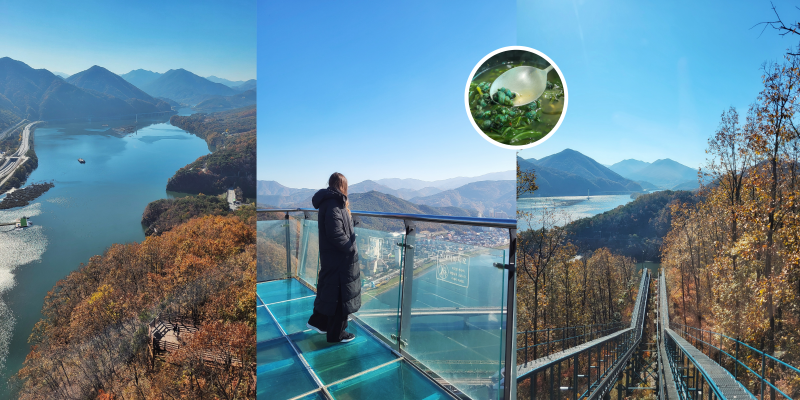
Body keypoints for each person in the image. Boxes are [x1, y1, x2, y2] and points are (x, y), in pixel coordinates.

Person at [306, 172, 360, 343]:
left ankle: (319, 323)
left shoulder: (332, 202)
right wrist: (350, 248)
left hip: (332, 256)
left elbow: (337, 226)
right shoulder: (334, 203)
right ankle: (337, 334)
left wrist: (351, 225)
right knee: (340, 295)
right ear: (342, 186)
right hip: (339, 257)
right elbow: (335, 233)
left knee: (330, 290)